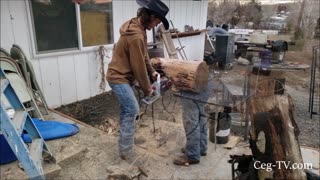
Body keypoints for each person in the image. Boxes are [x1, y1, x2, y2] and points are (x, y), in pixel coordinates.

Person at [106, 0, 169, 160]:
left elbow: (144, 55)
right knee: (132, 109)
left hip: (124, 77)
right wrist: (148, 89)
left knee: (127, 110)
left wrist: (152, 71)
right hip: (118, 77)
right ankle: (126, 152)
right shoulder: (136, 36)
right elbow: (138, 66)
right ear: (151, 16)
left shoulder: (138, 27)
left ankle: (123, 144)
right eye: (157, 21)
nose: (156, 25)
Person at [173, 90, 209, 166]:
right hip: (205, 87)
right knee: (201, 114)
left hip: (192, 89)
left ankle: (192, 155)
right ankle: (201, 148)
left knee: (191, 120)